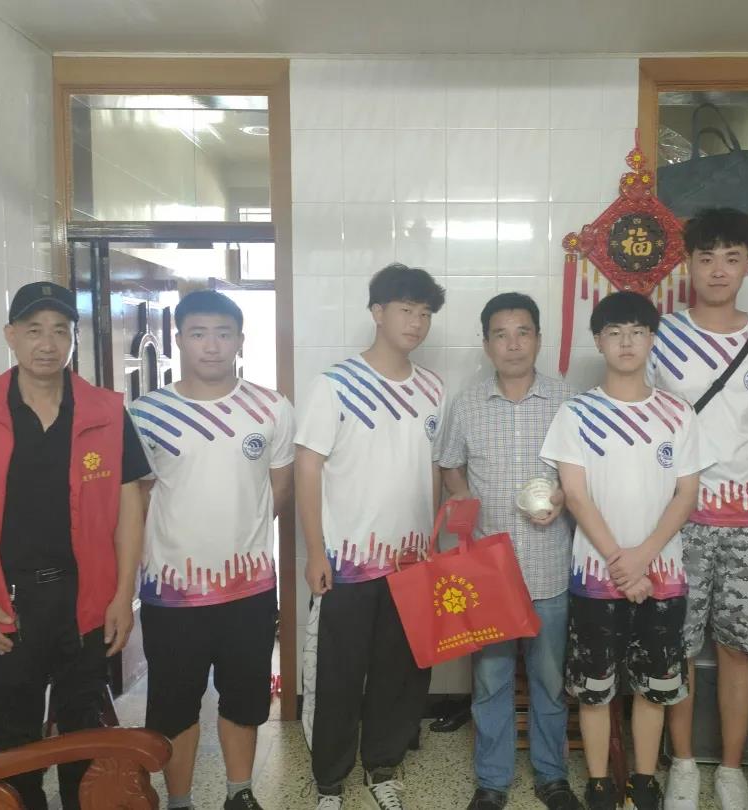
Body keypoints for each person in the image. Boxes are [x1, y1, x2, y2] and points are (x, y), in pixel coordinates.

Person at [0, 281, 148, 810]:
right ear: (11, 336)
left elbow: (130, 508)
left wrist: (124, 595)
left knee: (83, 735)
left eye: (60, 331)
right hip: (3, 605)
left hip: (86, 601)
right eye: (33, 330)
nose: (47, 343)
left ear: (72, 339)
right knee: (13, 739)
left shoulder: (106, 411)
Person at [648, 208, 748, 810]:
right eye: (706, 257)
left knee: (738, 649)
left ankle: (731, 770)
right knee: (678, 648)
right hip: (678, 523)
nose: (717, 270)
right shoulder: (660, 336)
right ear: (688, 264)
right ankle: (683, 764)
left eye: (731, 258)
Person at [131, 290, 295, 810]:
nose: (211, 345)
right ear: (179, 339)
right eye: (198, 334)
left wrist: (236, 539)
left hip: (248, 590)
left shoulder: (271, 408)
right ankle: (179, 799)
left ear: (240, 340)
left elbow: (278, 491)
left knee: (244, 699)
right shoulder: (146, 413)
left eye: (223, 334)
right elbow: (135, 501)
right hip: (170, 593)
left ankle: (239, 792)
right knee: (174, 704)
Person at [540, 291, 702, 810]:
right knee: (594, 686)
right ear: (598, 341)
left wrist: (642, 558)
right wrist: (620, 561)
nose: (626, 342)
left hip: (662, 577)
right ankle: (599, 782)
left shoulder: (677, 412)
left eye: (637, 331)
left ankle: (644, 779)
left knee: (656, 684)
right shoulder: (576, 413)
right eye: (614, 332)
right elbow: (575, 495)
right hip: (595, 577)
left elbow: (687, 494)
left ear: (652, 339)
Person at [296, 263, 446, 810]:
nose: (416, 322)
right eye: (406, 310)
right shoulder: (335, 384)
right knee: (338, 674)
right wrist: (315, 551)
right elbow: (308, 466)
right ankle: (330, 782)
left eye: (425, 313)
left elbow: (432, 467)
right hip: (347, 563)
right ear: (378, 312)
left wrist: (433, 540)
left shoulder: (433, 388)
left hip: (411, 564)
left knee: (400, 673)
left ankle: (384, 766)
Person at [438, 292, 581, 810]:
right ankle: (492, 781)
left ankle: (552, 777)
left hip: (549, 568)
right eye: (501, 334)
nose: (513, 344)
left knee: (549, 681)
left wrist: (563, 496)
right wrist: (463, 497)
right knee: (490, 680)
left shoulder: (568, 401)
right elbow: (450, 465)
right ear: (486, 344)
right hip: (489, 573)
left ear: (539, 339)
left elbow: (585, 472)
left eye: (523, 332)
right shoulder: (468, 404)